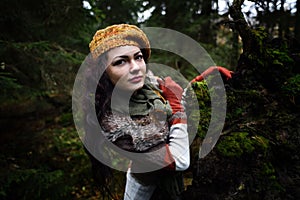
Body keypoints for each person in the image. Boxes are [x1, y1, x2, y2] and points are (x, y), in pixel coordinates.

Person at [83, 24, 233, 200]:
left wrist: (201, 82)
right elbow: (179, 161)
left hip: (171, 186)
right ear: (104, 73)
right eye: (120, 61)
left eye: (138, 57)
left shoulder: (147, 84)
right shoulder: (114, 123)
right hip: (144, 192)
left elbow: (172, 106)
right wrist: (177, 108)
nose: (135, 67)